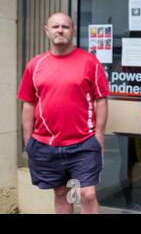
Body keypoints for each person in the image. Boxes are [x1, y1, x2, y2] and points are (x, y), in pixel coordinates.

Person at [17, 13, 110, 214]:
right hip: (46, 144)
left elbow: (101, 99)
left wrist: (99, 134)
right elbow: (28, 104)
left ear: (73, 31)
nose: (60, 30)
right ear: (47, 31)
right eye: (55, 26)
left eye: (65, 27)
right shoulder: (35, 65)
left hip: (84, 142)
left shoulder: (89, 62)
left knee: (87, 194)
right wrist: (28, 140)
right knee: (61, 192)